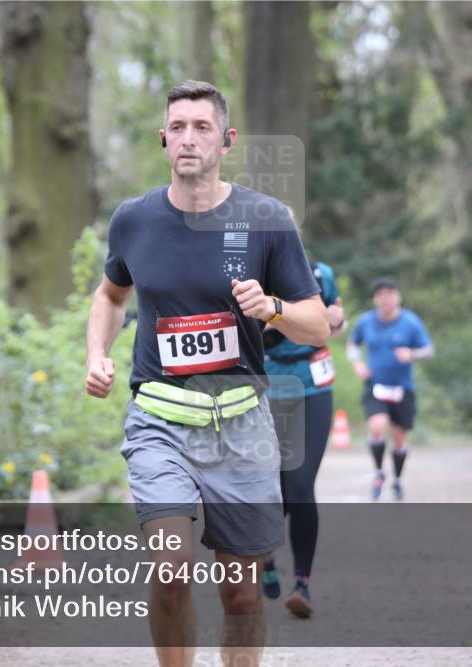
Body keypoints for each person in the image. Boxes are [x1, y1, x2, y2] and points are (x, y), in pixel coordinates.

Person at [85, 80, 329, 667]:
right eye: (177, 127)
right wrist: (96, 353)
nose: (188, 138)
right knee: (170, 571)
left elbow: (317, 325)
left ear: (227, 140)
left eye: (201, 127)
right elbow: (111, 295)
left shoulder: (266, 219)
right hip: (159, 423)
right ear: (163, 139)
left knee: (241, 594)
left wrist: (271, 307)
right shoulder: (134, 220)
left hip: (240, 426)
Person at [261, 259, 345, 619]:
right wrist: (284, 317)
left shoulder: (319, 273)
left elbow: (335, 323)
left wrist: (335, 319)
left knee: (300, 484)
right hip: (268, 386)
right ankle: (265, 557)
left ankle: (302, 584)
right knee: (274, 485)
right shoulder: (252, 272)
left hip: (314, 385)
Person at [347, 278, 434, 501]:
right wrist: (357, 363)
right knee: (377, 426)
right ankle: (379, 473)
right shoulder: (366, 321)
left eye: (389, 294)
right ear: (375, 299)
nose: (385, 299)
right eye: (380, 295)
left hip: (403, 388)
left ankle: (397, 480)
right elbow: (352, 344)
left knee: (399, 438)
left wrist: (412, 354)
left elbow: (429, 351)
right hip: (375, 386)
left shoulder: (411, 322)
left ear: (397, 297)